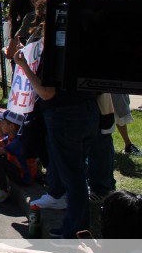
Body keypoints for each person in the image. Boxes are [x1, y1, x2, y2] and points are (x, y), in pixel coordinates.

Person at [16, 17, 100, 238]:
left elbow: (46, 92)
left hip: (64, 117)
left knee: (74, 178)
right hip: (89, 112)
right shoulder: (87, 49)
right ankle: (78, 225)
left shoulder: (56, 54)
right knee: (78, 173)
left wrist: (24, 66)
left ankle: (74, 231)